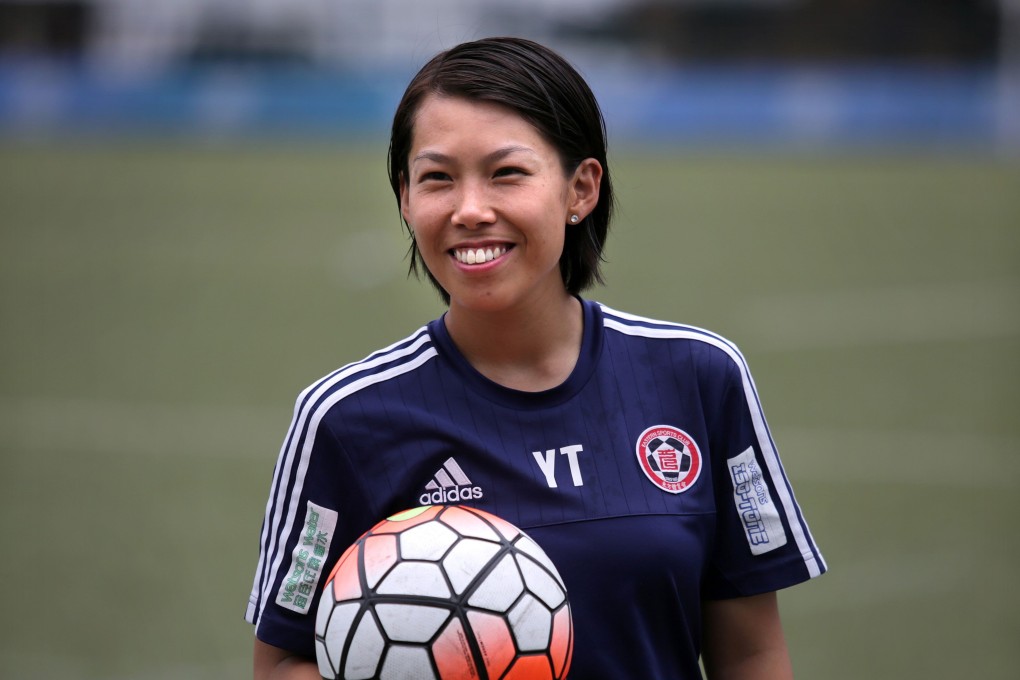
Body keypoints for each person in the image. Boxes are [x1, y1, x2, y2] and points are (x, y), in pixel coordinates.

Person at [246, 36, 826, 679]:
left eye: (507, 173)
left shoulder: (698, 376)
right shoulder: (346, 419)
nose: (470, 210)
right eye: (437, 178)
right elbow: (281, 664)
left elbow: (749, 653)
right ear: (405, 199)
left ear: (581, 189)